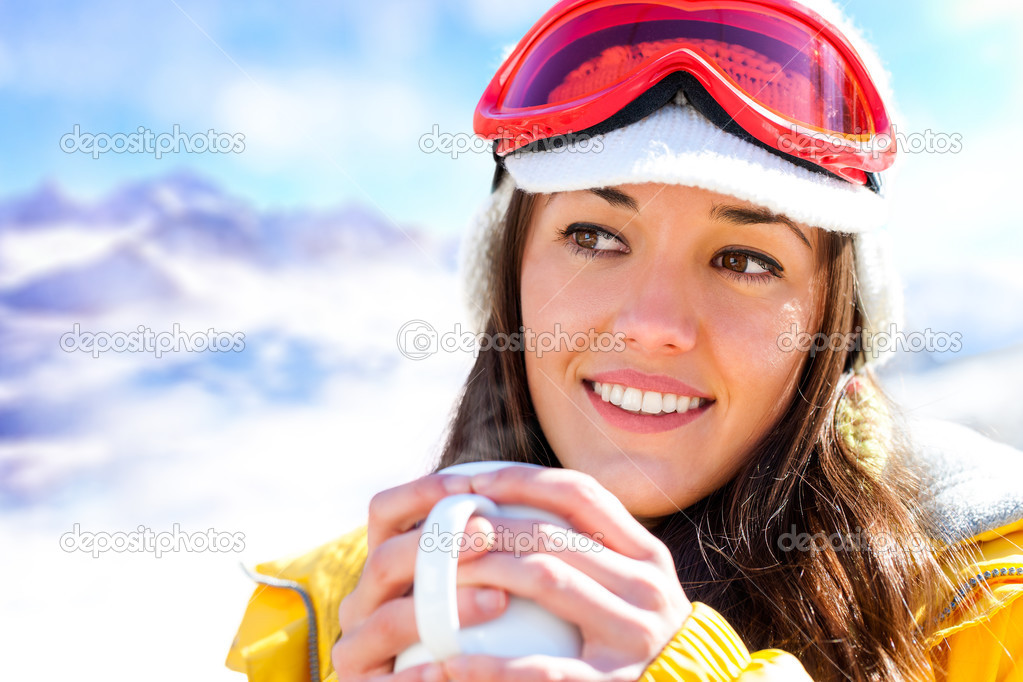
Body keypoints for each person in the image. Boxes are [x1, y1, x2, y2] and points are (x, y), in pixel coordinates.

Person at [225, 1, 1023, 680]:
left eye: (744, 260)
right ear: (509, 284)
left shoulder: (991, 600)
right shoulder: (316, 620)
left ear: (831, 329)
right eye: (595, 237)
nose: (654, 323)